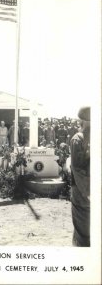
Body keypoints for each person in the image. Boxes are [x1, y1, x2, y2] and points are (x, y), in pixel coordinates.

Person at [70, 106, 90, 247]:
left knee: (82, 233)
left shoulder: (78, 139)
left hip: (83, 194)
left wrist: (88, 193)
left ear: (81, 121)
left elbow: (77, 169)